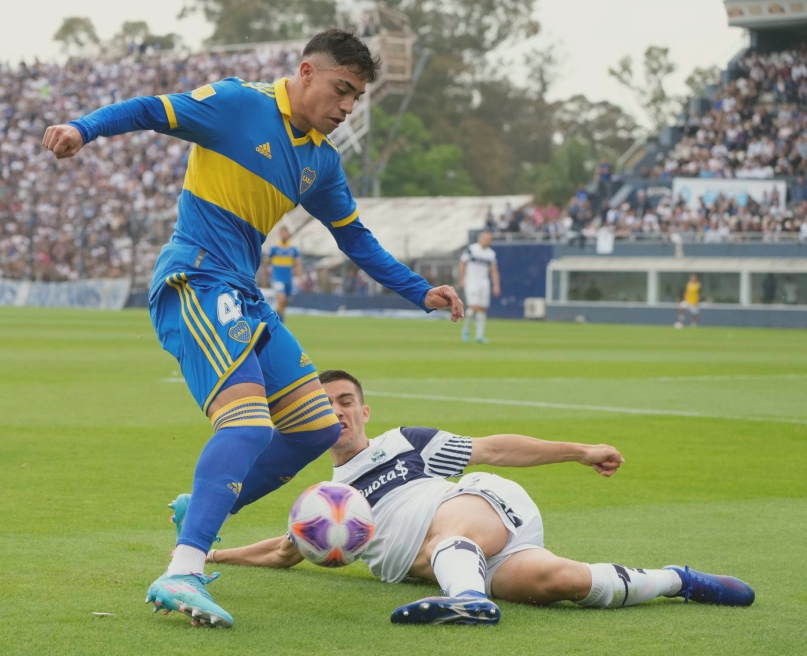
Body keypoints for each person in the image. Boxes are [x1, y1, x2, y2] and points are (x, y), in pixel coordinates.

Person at [42, 29, 463, 628]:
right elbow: (148, 110)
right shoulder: (239, 104)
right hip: (197, 279)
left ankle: (210, 503)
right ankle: (183, 569)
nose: (346, 108)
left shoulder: (320, 160)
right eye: (341, 91)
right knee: (245, 423)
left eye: (357, 99)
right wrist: (82, 129)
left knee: (318, 426)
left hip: (244, 295)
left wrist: (419, 290)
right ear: (306, 72)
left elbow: (355, 239)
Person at [170, 369, 755, 626]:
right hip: (471, 561)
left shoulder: (405, 443)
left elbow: (494, 450)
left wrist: (579, 451)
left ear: (364, 410)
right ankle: (680, 580)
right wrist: (209, 555)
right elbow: (283, 551)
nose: (337, 411)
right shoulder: (326, 498)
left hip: (482, 508)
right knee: (567, 585)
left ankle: (469, 603)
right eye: (323, 405)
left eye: (346, 400)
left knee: (449, 534)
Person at [459, 230, 499, 343]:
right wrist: (462, 279)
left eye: (489, 239)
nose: (487, 241)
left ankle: (479, 336)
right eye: (485, 238)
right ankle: (466, 329)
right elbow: (462, 264)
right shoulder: (472, 249)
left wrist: (496, 285)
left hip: (484, 283)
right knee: (473, 307)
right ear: (480, 238)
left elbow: (494, 270)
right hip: (471, 281)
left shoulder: (491, 254)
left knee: (482, 309)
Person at [265, 225, 301, 322]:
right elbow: (266, 261)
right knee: (281, 299)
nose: (284, 235)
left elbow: (297, 264)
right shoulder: (274, 248)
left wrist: (299, 277)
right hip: (277, 278)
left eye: (285, 233)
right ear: (280, 234)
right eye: (282, 233)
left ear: (288, 234)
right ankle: (277, 321)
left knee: (284, 302)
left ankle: (280, 320)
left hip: (288, 279)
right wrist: (267, 272)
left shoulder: (293, 249)